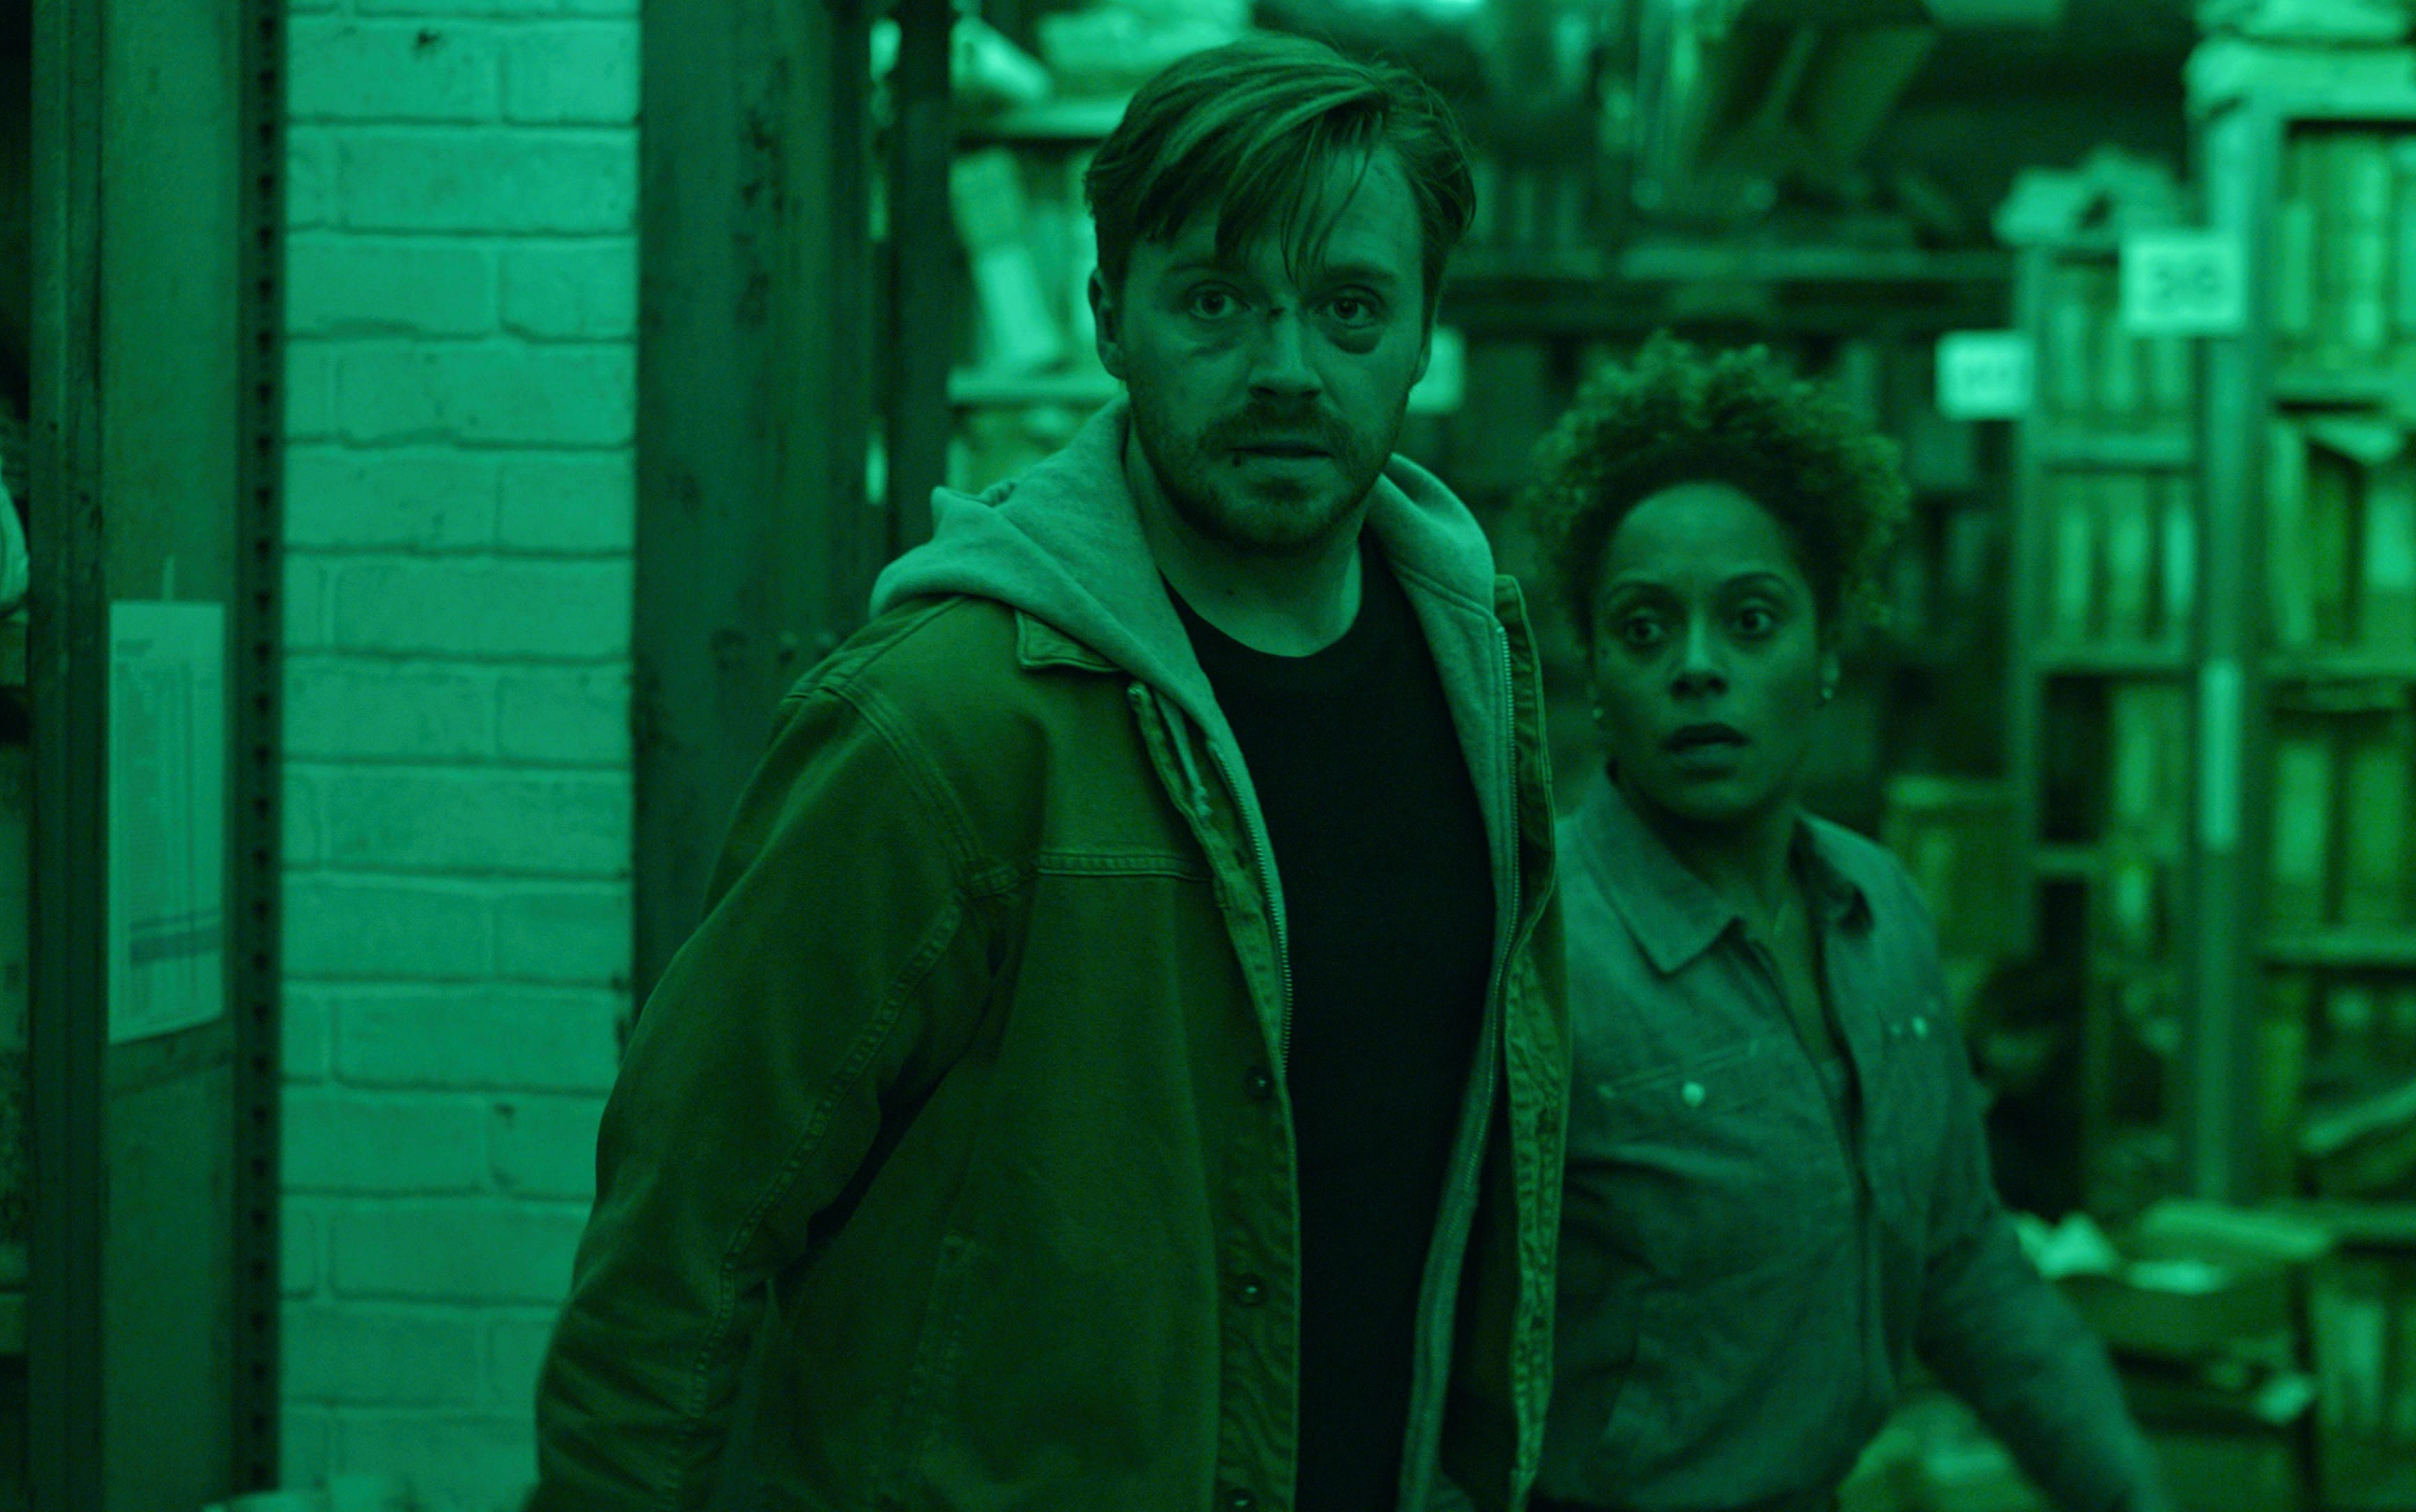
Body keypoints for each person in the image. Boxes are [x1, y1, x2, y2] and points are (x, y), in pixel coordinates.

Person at [529, 32, 1567, 1512]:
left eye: (1348, 308)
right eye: (1215, 301)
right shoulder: (941, 722)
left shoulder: (1475, 683)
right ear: (1108, 317)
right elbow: (682, 1232)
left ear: (1422, 333)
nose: (1286, 369)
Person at [1518, 337, 2169, 1512]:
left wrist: (2123, 1491)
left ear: (1827, 650)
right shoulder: (1538, 953)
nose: (1698, 668)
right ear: (1597, 673)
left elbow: (1962, 1260)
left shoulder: (1880, 915)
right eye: (1646, 628)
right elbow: (1423, 1347)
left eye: (1752, 620)